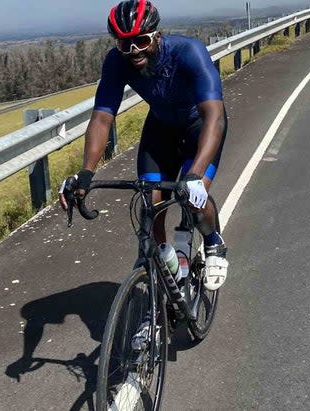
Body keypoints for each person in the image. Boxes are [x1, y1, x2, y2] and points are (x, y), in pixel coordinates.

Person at [59, 0, 228, 290]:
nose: (134, 50)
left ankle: (214, 242)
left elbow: (214, 115)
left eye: (141, 40)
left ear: (157, 35)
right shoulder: (116, 62)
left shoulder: (188, 52)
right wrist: (86, 173)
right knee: (150, 206)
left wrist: (195, 175)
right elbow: (102, 118)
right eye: (125, 44)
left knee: (193, 198)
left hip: (200, 125)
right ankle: (167, 269)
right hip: (161, 128)